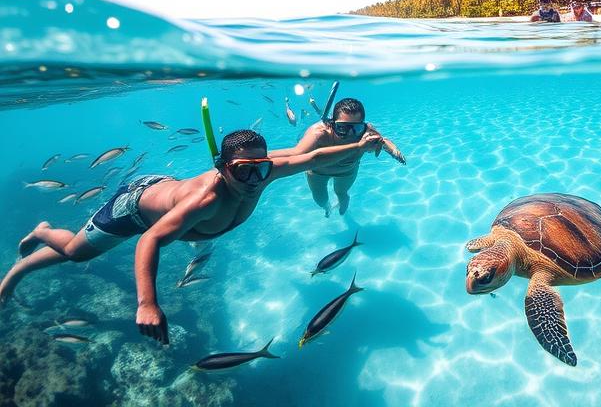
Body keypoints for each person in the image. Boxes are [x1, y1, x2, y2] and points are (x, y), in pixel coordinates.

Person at [0, 128, 382, 344]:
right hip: (134, 206)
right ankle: (44, 231)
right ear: (223, 168)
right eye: (244, 171)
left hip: (163, 193)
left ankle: (18, 270)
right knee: (74, 251)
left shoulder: (262, 174)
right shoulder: (204, 201)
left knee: (77, 254)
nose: (254, 181)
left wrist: (361, 146)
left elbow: (314, 159)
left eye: (262, 169)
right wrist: (147, 303)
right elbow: (149, 240)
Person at [271, 98, 402, 216]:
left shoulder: (366, 132)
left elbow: (382, 140)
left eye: (356, 128)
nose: (350, 133)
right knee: (320, 199)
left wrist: (394, 151)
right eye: (342, 128)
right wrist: (259, 157)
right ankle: (327, 208)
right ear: (331, 124)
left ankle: (342, 208)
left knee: (341, 193)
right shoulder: (319, 133)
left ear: (363, 126)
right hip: (318, 172)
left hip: (347, 171)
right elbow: (296, 152)